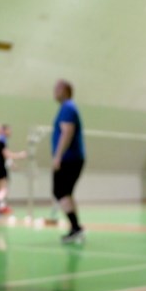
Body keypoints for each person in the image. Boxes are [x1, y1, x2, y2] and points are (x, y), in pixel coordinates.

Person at [51, 79, 85, 244]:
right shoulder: (67, 107)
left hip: (69, 158)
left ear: (66, 90)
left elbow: (67, 132)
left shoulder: (68, 107)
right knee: (65, 193)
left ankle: (75, 228)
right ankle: (75, 227)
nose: (54, 91)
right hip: (71, 158)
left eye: (58, 88)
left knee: (60, 191)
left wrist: (58, 156)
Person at [0, 124, 26, 217]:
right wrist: (20, 155)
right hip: (0, 167)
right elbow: (7, 154)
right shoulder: (1, 142)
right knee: (3, 189)